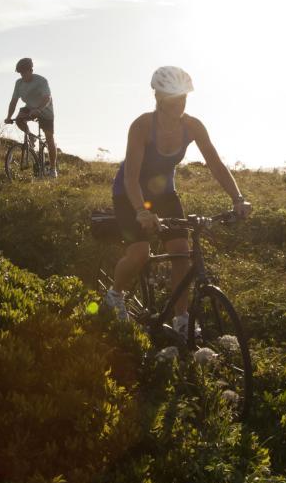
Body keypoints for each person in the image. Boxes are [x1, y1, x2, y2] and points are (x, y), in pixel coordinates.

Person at [103, 65, 251, 328]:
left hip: (164, 193)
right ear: (158, 98)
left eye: (183, 97)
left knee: (182, 253)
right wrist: (141, 211)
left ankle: (181, 319)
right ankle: (115, 295)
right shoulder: (142, 126)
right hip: (129, 193)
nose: (179, 104)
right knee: (139, 254)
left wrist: (237, 198)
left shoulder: (192, 126)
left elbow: (216, 164)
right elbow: (130, 177)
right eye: (173, 98)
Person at [4, 57, 57, 177]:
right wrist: (8, 117)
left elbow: (47, 98)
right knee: (18, 120)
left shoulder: (41, 81)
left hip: (45, 110)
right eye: (20, 73)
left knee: (49, 138)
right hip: (30, 107)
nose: (22, 75)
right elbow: (13, 102)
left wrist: (39, 109)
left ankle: (53, 169)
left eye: (24, 72)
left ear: (31, 70)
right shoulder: (19, 83)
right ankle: (32, 138)